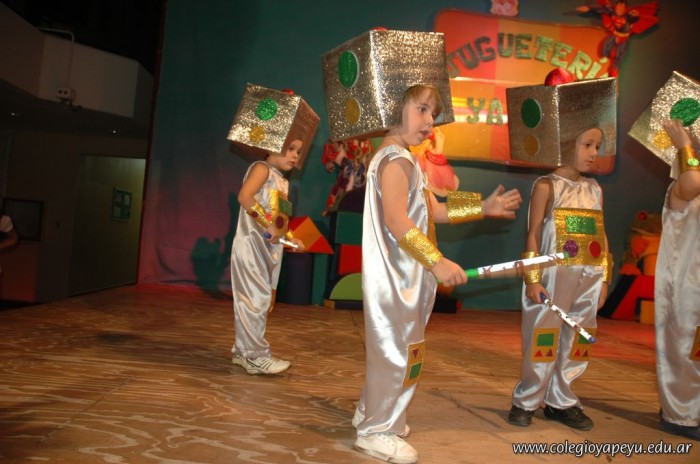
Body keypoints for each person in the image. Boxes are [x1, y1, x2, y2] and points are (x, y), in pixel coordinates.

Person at [353, 83, 522, 463]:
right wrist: (437, 261)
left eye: (433, 113)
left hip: (408, 278)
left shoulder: (406, 159)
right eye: (422, 110)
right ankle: (376, 431)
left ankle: (371, 411)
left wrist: (483, 207)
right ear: (392, 107)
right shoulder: (395, 161)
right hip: (398, 279)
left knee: (396, 350)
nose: (431, 121)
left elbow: (436, 210)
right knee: (398, 353)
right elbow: (397, 221)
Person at [507, 127, 612, 430]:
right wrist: (532, 279)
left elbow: (602, 236)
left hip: (588, 280)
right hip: (553, 280)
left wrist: (605, 278)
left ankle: (561, 401)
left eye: (597, 146)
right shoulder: (547, 186)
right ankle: (527, 399)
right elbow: (533, 233)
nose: (594, 153)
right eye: (587, 144)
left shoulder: (595, 189)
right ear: (565, 143)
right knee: (543, 337)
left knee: (578, 339)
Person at [230, 140, 306, 375]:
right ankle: (255, 356)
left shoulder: (282, 181)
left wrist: (291, 237)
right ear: (273, 144)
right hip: (251, 246)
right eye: (290, 149)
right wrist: (266, 223)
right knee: (254, 300)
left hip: (270, 251)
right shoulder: (261, 168)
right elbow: (245, 197)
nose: (295, 155)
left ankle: (243, 351)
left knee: (262, 301)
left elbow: (279, 223)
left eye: (298, 151)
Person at [652, 119, 700, 441]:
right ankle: (680, 416)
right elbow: (692, 182)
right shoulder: (681, 193)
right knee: (686, 355)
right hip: (686, 293)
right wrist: (684, 144)